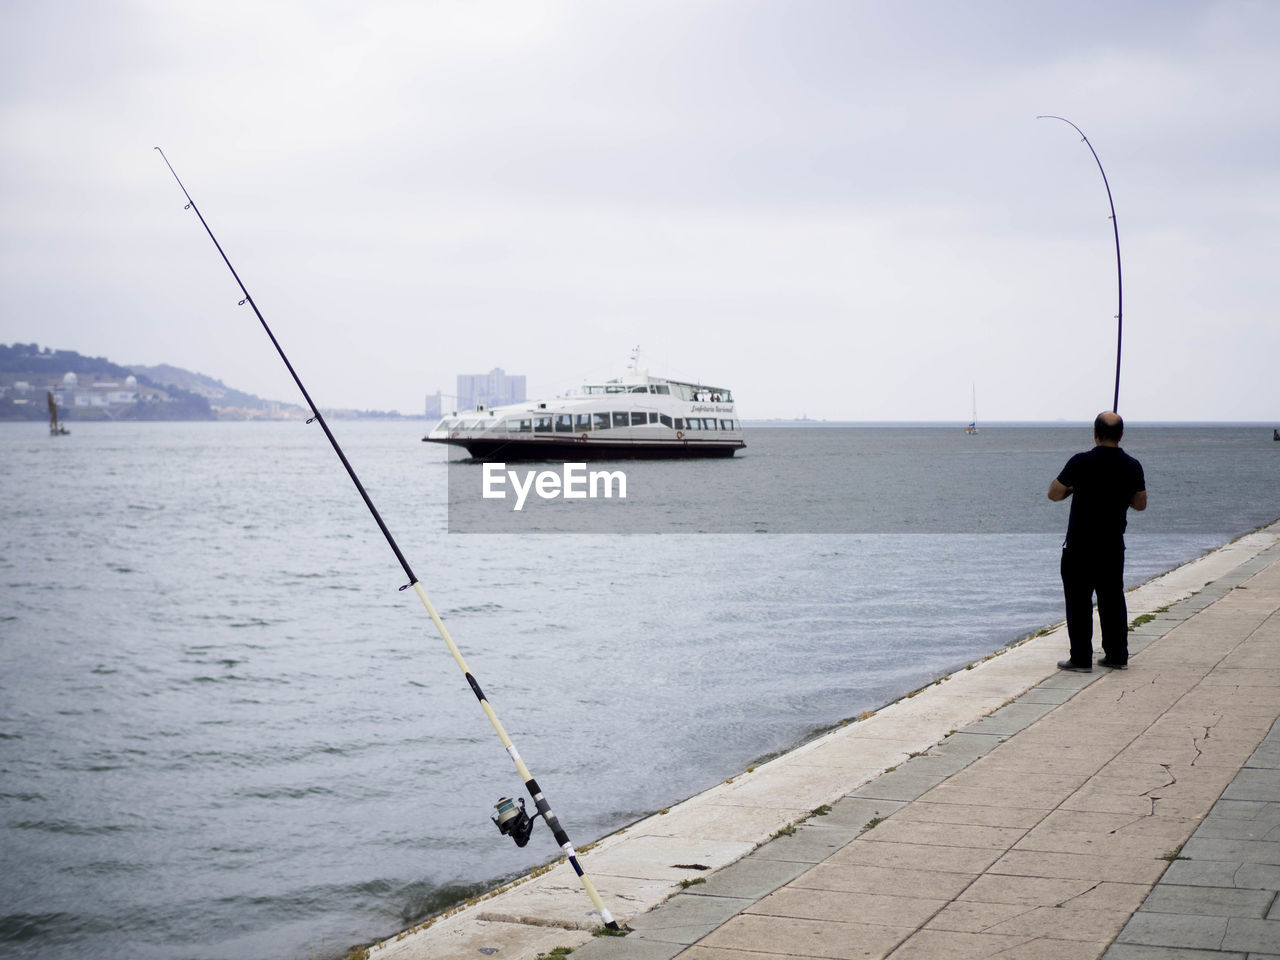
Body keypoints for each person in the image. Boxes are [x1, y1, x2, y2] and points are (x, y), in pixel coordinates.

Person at [1047, 411, 1147, 672]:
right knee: (1112, 600)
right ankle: (1116, 655)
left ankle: (1080, 659)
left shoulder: (1080, 462)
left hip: (1079, 546)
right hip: (1113, 546)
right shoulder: (1132, 465)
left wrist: (1073, 489)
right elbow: (1140, 504)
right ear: (1121, 434)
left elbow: (1054, 494)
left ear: (1095, 433)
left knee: (1078, 602)